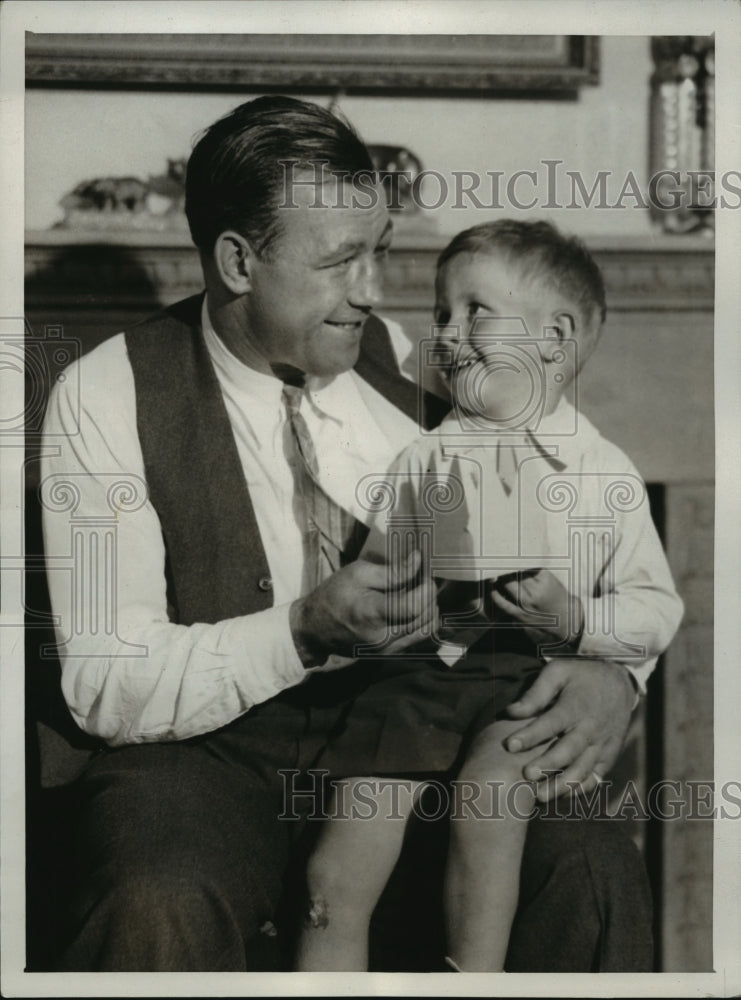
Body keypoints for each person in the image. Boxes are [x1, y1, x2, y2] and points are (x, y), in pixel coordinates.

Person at [40, 96, 654, 972]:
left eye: (380, 252)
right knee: (156, 892)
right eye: (338, 262)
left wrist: (615, 675)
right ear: (239, 261)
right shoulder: (104, 397)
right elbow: (104, 682)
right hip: (202, 759)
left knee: (589, 869)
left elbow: (583, 500)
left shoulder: (412, 357)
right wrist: (302, 631)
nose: (371, 289)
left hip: (423, 730)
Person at [294, 219, 684, 972]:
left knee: (489, 802)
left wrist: (577, 618)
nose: (448, 332)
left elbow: (655, 608)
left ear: (553, 339)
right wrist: (396, 595)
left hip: (524, 687)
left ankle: (474, 979)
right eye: (442, 313)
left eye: (476, 311)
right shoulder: (422, 456)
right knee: (341, 856)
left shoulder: (601, 474)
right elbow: (376, 575)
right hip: (416, 680)